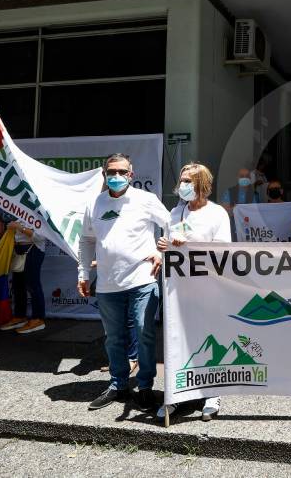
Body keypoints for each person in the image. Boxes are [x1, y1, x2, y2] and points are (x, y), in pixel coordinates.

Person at [77, 153, 170, 411]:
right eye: (111, 172)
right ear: (104, 174)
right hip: (107, 283)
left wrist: (161, 252)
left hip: (142, 279)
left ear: (131, 174)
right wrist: (83, 273)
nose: (116, 176)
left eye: (122, 172)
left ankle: (146, 387)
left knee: (144, 333)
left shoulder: (145, 199)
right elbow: (86, 240)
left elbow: (172, 225)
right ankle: (118, 385)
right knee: (114, 338)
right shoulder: (95, 203)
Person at [156, 162, 231, 422]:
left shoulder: (217, 213)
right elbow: (168, 249)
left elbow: (223, 251)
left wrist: (188, 244)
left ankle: (212, 394)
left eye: (188, 181)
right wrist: (163, 246)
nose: (183, 185)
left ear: (202, 184)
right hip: (178, 290)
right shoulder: (174, 213)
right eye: (182, 180)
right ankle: (177, 394)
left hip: (209, 289)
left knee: (210, 340)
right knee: (179, 339)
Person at [0, 221, 47, 334]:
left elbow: (40, 237)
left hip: (33, 249)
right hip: (18, 249)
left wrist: (19, 227)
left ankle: (38, 319)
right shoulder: (18, 212)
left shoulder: (41, 214)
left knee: (32, 285)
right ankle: (20, 316)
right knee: (18, 285)